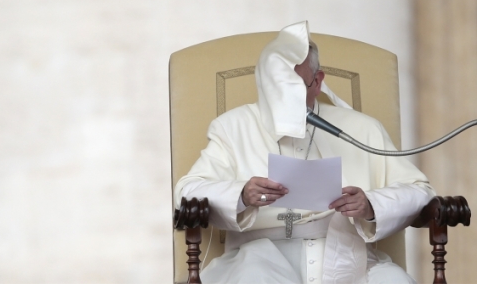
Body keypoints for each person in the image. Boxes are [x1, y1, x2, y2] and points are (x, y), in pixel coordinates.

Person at [174, 21, 435, 283]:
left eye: (296, 90)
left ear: (317, 82)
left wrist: (371, 205)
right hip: (257, 258)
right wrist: (241, 194)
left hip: (346, 254)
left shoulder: (361, 128)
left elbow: (419, 191)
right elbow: (187, 191)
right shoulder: (232, 127)